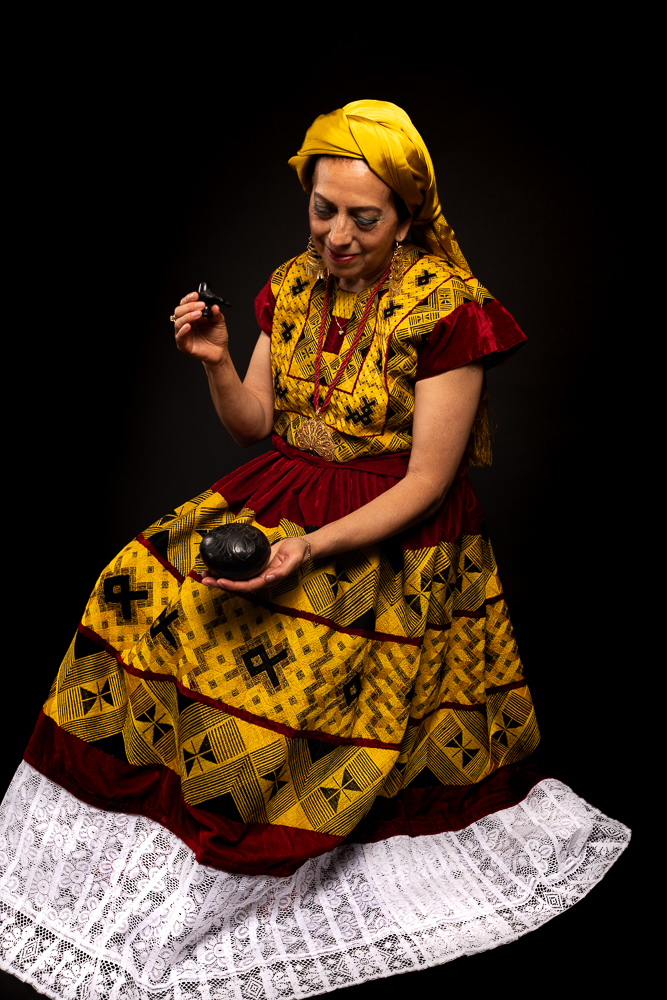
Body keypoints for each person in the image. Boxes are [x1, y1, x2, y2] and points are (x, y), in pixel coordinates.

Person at [0, 101, 630, 1000]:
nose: (337, 236)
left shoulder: (448, 311)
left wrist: (306, 550)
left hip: (388, 527)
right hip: (285, 489)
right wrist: (217, 360)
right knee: (136, 584)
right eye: (323, 210)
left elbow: (429, 483)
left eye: (363, 218)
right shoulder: (291, 285)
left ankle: (252, 848)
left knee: (275, 666)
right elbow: (254, 424)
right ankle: (160, 824)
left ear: (405, 218)